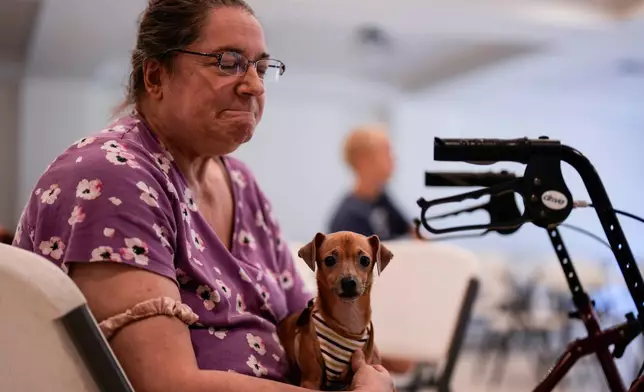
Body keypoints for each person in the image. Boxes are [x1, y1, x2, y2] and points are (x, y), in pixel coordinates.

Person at [12, 1, 395, 391]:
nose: (255, 86)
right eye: (228, 62)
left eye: (261, 68)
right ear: (156, 76)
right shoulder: (112, 176)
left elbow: (304, 319)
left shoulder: (242, 184)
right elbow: (164, 384)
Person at [328, 124, 414, 241]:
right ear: (363, 160)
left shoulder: (381, 198)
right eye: (386, 152)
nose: (393, 158)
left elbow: (412, 231)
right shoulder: (348, 218)